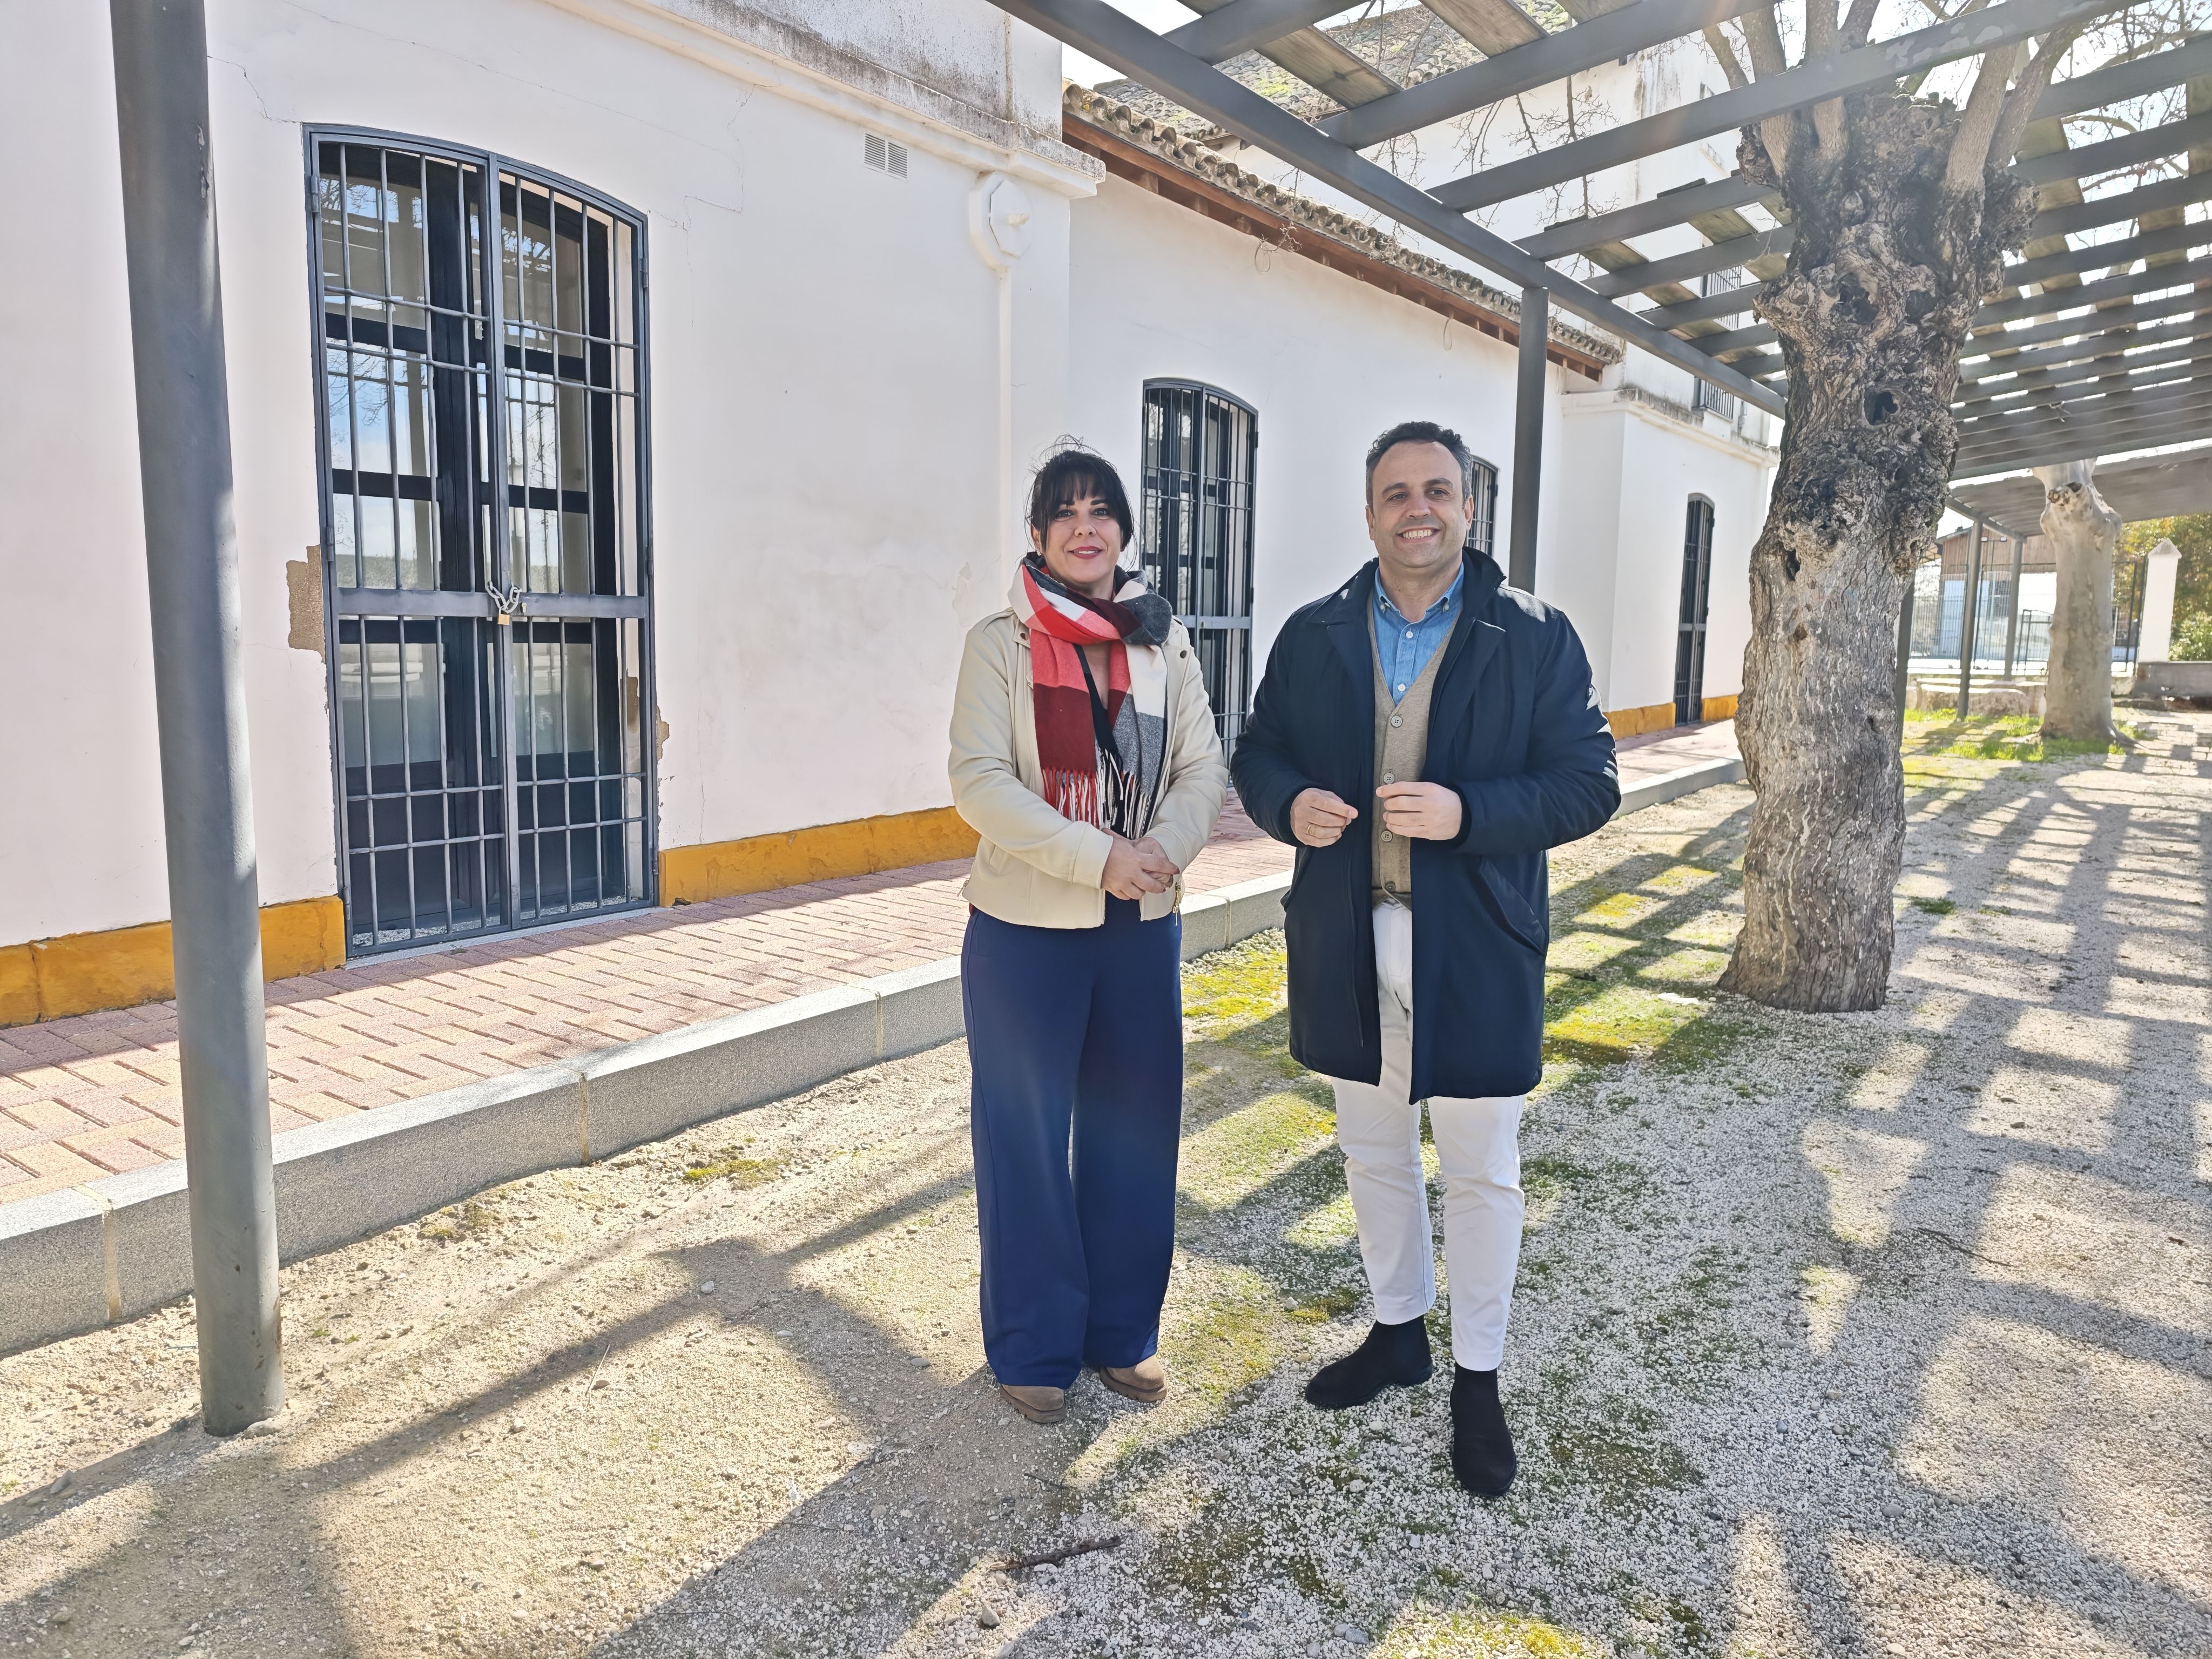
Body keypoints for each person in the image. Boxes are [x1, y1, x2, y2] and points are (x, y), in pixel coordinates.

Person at [1230, 420, 1617, 1496]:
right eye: (1395, 492)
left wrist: (1465, 811)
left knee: (1481, 1165)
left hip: (1476, 935)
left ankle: (1477, 1378)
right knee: (1370, 1145)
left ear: (1466, 507)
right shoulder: (1314, 633)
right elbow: (1257, 749)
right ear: (1368, 514)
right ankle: (1397, 1331)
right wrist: (1282, 802)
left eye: (1436, 490)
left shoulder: (1533, 635)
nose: (1417, 508)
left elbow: (1588, 782)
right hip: (1345, 933)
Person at [949, 446, 1229, 1426]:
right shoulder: (1002, 645)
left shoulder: (1164, 643)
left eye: (1102, 510)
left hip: (1139, 924)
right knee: (1025, 1137)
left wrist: (1156, 852)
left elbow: (1203, 764)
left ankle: (1122, 1334)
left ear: (1122, 531)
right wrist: (1094, 856)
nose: (1085, 526)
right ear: (1038, 536)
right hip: (1028, 928)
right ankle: (1033, 1343)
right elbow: (980, 781)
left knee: (1136, 1128)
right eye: (1064, 512)